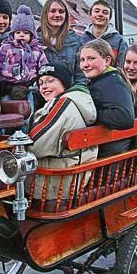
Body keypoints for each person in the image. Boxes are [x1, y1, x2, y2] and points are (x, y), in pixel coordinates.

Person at [28, 63, 97, 200]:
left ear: (64, 82)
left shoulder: (64, 104)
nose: (44, 86)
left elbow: (36, 145)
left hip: (56, 183)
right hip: (69, 176)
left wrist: (14, 148)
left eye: (50, 80)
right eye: (41, 83)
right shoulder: (76, 101)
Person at [80, 39, 135, 158]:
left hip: (108, 157)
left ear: (107, 60)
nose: (85, 64)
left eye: (91, 58)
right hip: (107, 151)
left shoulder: (112, 82)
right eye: (82, 60)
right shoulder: (104, 80)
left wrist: (90, 113)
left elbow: (125, 117)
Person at [0, 5, 48, 102]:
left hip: (28, 86)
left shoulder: (37, 50)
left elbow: (43, 68)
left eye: (25, 32)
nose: (21, 35)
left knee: (28, 107)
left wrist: (36, 82)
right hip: (9, 85)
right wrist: (4, 83)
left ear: (32, 35)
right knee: (6, 106)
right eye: (18, 32)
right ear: (12, 34)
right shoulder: (6, 47)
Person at [37, 0, 85, 85]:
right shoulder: (35, 41)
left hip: (70, 93)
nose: (57, 15)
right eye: (53, 11)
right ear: (45, 14)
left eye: (61, 12)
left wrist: (78, 90)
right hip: (42, 93)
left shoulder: (76, 41)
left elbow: (81, 72)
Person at [80, 0, 128, 67]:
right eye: (97, 11)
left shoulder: (119, 41)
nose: (100, 14)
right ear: (90, 15)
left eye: (105, 13)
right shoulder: (81, 39)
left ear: (110, 18)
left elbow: (122, 66)